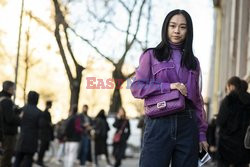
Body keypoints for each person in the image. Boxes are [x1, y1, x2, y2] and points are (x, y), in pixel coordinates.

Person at [130, 9, 208, 167]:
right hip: (159, 122)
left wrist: (201, 133)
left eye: (182, 27)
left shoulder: (194, 62)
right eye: (172, 26)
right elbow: (137, 88)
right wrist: (169, 87)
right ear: (166, 28)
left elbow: (197, 101)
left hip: (188, 124)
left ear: (188, 31)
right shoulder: (151, 56)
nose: (177, 31)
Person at [216, 76, 250, 167]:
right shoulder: (248, 100)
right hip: (244, 147)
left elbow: (220, 121)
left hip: (227, 147)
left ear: (231, 86)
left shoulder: (228, 100)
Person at [14, 91, 43, 167]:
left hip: (22, 138)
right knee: (28, 160)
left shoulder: (23, 109)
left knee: (17, 159)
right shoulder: (39, 112)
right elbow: (41, 126)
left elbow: (16, 120)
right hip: (32, 139)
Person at [0, 81, 21, 167]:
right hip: (8, 134)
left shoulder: (2, 99)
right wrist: (20, 117)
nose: (14, 91)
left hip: (3, 132)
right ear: (9, 89)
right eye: (14, 89)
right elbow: (9, 119)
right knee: (6, 158)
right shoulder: (6, 101)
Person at [36, 100, 54, 166]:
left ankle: (40, 160)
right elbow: (44, 123)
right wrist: (49, 125)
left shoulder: (45, 113)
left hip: (45, 134)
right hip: (44, 134)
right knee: (42, 148)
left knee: (43, 148)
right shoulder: (45, 113)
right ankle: (39, 160)